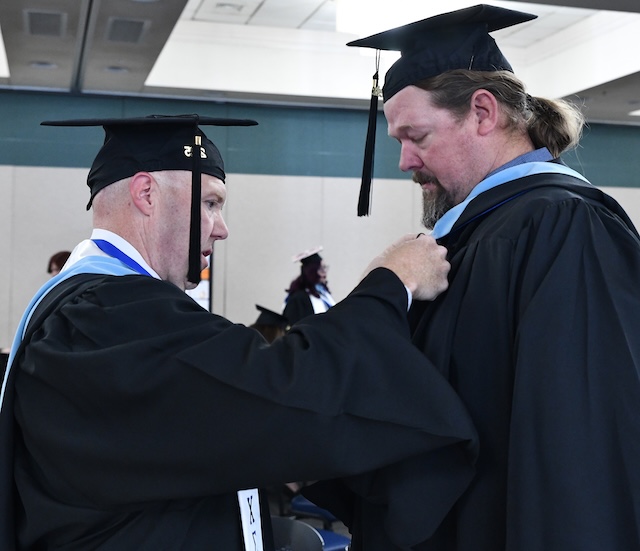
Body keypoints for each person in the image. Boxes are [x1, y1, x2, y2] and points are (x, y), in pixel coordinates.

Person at [0, 114, 479, 550]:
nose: (221, 228)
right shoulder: (104, 315)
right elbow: (275, 385)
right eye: (210, 203)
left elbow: (203, 428)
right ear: (146, 194)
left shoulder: (100, 308)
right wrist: (392, 283)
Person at [307, 4, 640, 550]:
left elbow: (579, 446)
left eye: (416, 136)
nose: (404, 162)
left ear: (483, 112)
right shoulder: (471, 237)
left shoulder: (564, 227)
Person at [282, 247, 335, 324]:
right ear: (312, 272)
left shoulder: (323, 293)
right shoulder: (298, 299)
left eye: (325, 268)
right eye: (321, 269)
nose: (325, 273)